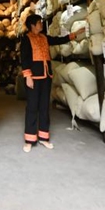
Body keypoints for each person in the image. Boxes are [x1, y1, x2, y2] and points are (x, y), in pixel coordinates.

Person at [20, 14, 84, 153]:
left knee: (44, 106)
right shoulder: (26, 39)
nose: (41, 25)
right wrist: (28, 76)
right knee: (32, 107)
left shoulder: (44, 37)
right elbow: (24, 59)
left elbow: (57, 40)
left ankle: (44, 137)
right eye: (39, 23)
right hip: (34, 77)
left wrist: (74, 35)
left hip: (46, 76)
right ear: (32, 25)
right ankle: (29, 139)